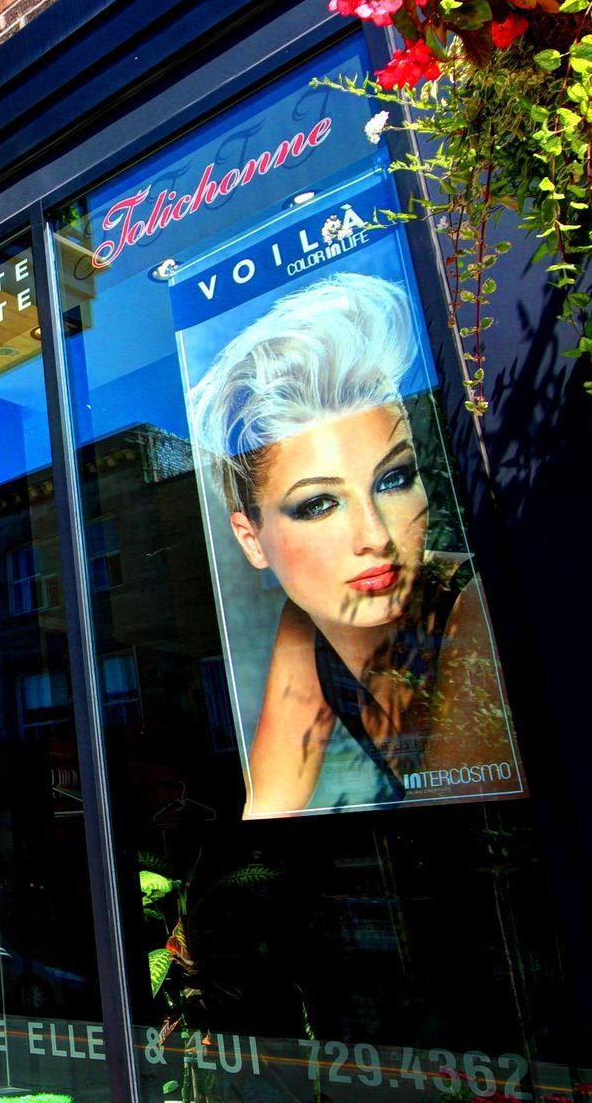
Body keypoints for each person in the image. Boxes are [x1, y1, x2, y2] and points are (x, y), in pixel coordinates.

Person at [185, 272, 516, 816]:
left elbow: (468, 834)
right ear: (252, 540)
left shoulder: (471, 607)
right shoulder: (304, 627)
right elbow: (267, 810)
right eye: (318, 504)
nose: (376, 536)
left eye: (394, 479)